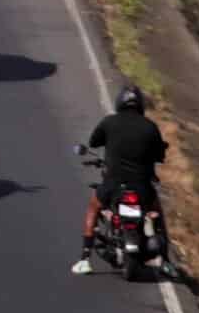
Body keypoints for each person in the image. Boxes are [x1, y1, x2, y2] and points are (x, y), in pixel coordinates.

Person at [74, 85, 178, 277]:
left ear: (119, 102)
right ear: (140, 105)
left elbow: (93, 142)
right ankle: (166, 261)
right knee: (157, 213)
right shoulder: (150, 127)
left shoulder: (109, 122)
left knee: (93, 207)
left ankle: (84, 259)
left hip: (113, 185)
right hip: (141, 187)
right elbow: (160, 155)